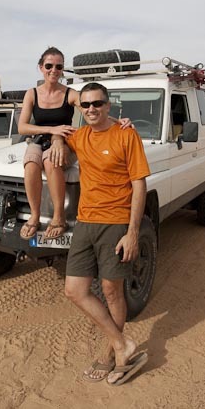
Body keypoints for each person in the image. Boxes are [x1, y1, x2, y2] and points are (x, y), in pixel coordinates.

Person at [61, 82, 150, 385]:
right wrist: (57, 141)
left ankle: (110, 353)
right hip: (85, 222)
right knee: (74, 290)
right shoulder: (80, 136)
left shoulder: (127, 134)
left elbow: (140, 184)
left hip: (116, 223)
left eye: (97, 104)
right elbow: (53, 137)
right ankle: (122, 343)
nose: (91, 109)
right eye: (85, 105)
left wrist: (133, 233)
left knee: (112, 290)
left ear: (109, 105)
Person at [17, 47, 130, 240]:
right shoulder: (32, 94)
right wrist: (51, 129)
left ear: (62, 69)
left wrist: (118, 121)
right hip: (39, 138)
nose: (54, 70)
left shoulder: (69, 93)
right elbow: (22, 127)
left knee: (52, 162)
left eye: (59, 66)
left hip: (64, 140)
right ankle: (34, 216)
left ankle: (59, 217)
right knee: (30, 164)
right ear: (40, 68)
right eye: (49, 66)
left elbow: (91, 109)